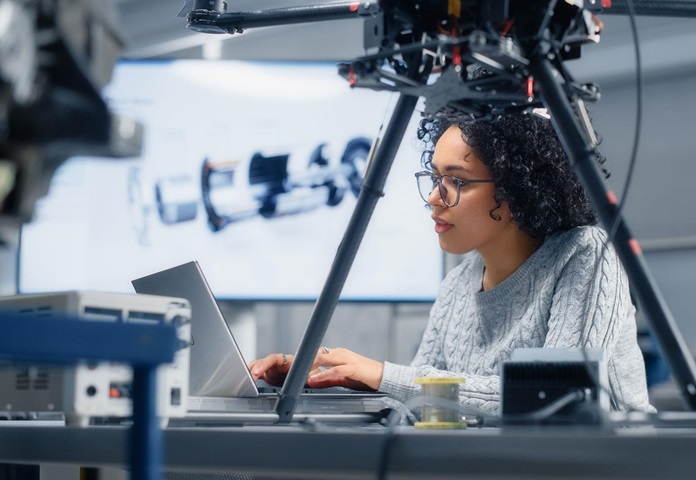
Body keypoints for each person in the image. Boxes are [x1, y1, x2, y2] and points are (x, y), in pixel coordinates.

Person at [248, 110, 655, 416]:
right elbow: (425, 402)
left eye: (457, 181)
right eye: (434, 177)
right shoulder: (458, 285)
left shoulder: (585, 254)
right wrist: (322, 378)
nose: (434, 197)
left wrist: (383, 374)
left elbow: (561, 397)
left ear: (521, 189)